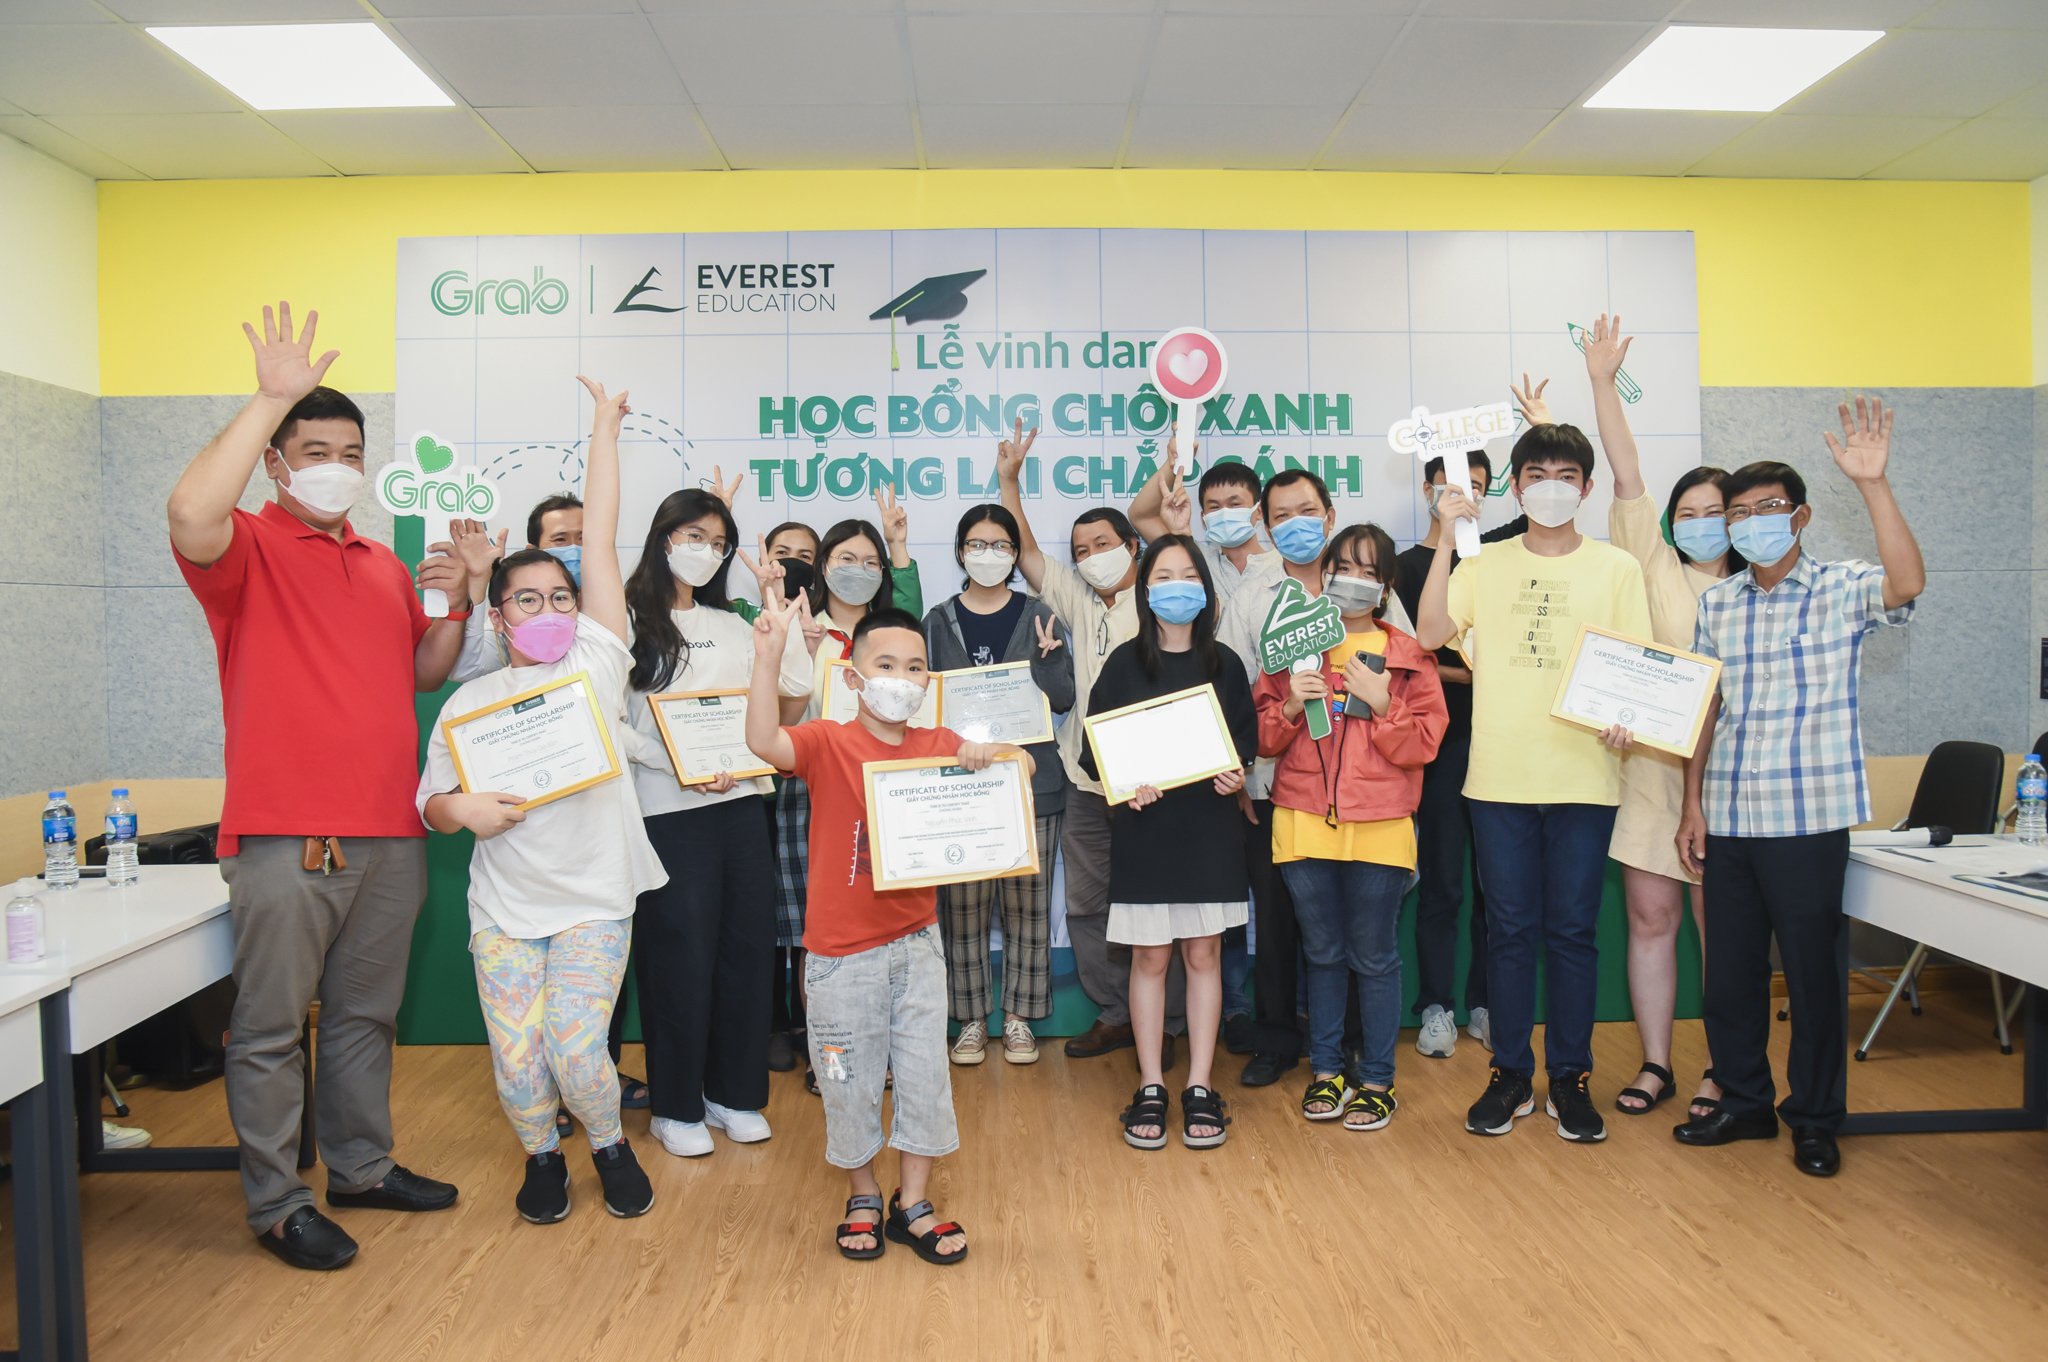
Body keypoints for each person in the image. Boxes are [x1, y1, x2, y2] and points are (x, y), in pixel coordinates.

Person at [167, 303, 467, 1271]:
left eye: (350, 452)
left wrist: (458, 602)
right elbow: (188, 513)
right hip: (287, 835)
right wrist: (269, 397)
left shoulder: (380, 564)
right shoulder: (243, 548)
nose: (336, 465)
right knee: (267, 1030)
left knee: (364, 1018)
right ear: (277, 464)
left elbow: (420, 672)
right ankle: (276, 1203)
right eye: (315, 451)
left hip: (390, 832)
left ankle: (361, 1168)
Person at [417, 376, 663, 1224]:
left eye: (561, 596)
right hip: (506, 908)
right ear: (498, 617)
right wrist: (462, 812)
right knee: (518, 1059)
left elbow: (600, 536)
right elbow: (430, 802)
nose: (550, 608)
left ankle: (609, 1143)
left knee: (577, 1047)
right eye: (528, 598)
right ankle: (542, 1158)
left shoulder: (597, 660)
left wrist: (604, 430)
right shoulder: (469, 702)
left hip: (594, 897)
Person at [1674, 398, 1924, 1179]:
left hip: (1809, 820)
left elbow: (1908, 582)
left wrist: (1873, 484)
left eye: (1768, 509)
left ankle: (1814, 1118)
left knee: (1813, 980)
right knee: (1731, 978)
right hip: (1730, 818)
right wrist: (1691, 803)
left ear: (1801, 516)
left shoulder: (1843, 587)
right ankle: (1745, 1102)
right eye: (1738, 513)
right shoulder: (1718, 603)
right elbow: (1706, 708)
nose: (1752, 523)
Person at [745, 602, 1030, 1264]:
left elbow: (1021, 765)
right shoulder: (827, 741)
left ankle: (914, 1202)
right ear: (853, 677)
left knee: (926, 1076)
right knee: (845, 1079)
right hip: (839, 960)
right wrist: (767, 658)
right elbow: (763, 742)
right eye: (886, 665)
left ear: (929, 681)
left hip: (919, 949)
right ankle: (864, 1194)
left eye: (915, 668)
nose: (901, 679)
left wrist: (995, 753)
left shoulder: (937, 743)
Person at [1418, 411, 1651, 1145]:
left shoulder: (1617, 568)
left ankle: (1571, 1077)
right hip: (1499, 780)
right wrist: (1444, 537)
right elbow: (1428, 634)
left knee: (1573, 933)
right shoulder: (1483, 563)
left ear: (1587, 488)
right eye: (1537, 475)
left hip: (1585, 776)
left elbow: (1635, 669)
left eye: (1566, 476)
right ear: (1515, 488)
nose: (1552, 487)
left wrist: (1628, 718)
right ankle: (1511, 1073)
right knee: (1511, 933)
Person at [1544, 319, 1742, 1120]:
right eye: (1686, 510)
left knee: (1721, 930)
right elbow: (1625, 472)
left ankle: (1726, 1068)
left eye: (1714, 511)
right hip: (1652, 772)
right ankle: (1658, 1063)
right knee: (1651, 919)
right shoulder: (1653, 563)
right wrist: (1602, 381)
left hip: (1734, 780)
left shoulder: (1757, 592)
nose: (1699, 521)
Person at [621, 491, 813, 1158]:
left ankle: (733, 1094)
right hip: (668, 811)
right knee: (679, 959)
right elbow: (607, 719)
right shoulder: (627, 621)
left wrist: (776, 614)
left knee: (745, 954)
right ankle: (676, 1105)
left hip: (741, 807)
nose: (706, 550)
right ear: (664, 537)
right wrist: (674, 763)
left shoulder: (733, 622)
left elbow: (790, 700)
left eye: (718, 541)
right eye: (693, 536)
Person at [1216, 467, 1418, 1088]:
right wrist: (1244, 776)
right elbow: (1237, 692)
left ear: (1329, 515)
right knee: (1277, 923)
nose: (1294, 524)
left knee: (1359, 933)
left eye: (1306, 511)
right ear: (1265, 524)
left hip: (1366, 792)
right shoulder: (1254, 596)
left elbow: (1405, 673)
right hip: (1276, 788)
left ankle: (1353, 1046)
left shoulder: (1370, 587)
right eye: (1280, 516)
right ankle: (1278, 1040)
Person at [993, 421, 1183, 1069]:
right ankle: (1116, 1013)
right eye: (1081, 549)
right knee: (1086, 904)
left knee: (1158, 904)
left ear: (1133, 547)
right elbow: (1025, 553)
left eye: (1104, 543)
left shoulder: (1163, 596)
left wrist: (1170, 474)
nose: (1092, 555)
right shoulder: (1076, 597)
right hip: (1085, 781)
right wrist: (1009, 482)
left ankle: (1169, 1021)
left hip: (1154, 783)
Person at [1257, 524, 1446, 1131]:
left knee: (1374, 954)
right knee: (1322, 952)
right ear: (1325, 574)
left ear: (1386, 586)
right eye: (1343, 567)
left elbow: (1424, 745)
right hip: (1303, 819)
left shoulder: (1408, 656)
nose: (1353, 580)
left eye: (1368, 571)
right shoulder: (1295, 646)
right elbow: (1261, 736)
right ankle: (1327, 1071)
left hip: (1382, 824)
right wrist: (1291, 705)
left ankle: (1378, 1081)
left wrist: (1385, 703)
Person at [1079, 536, 1257, 1150]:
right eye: (1163, 575)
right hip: (1146, 831)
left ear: (1204, 588)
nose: (1176, 585)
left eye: (1188, 575)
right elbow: (1097, 750)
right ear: (1145, 589)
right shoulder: (1123, 664)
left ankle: (1200, 1083)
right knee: (1150, 959)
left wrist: (1236, 775)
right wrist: (1125, 786)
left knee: (1204, 955)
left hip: (1209, 831)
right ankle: (1151, 1084)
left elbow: (1243, 744)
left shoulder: (1225, 664)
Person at [922, 504, 1075, 1066]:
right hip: (960, 785)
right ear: (960, 552)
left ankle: (1019, 1019)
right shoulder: (937, 621)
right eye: (977, 544)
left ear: (1014, 554)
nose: (989, 554)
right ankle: (967, 1019)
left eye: (1001, 545)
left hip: (1033, 783)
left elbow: (1063, 698)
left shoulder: (1040, 614)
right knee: (961, 907)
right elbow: (922, 702)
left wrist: (1050, 663)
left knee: (1028, 907)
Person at [1392, 447, 1518, 1058]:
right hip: (1438, 749)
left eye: (1476, 486)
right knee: (1441, 884)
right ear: (1427, 490)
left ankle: (1486, 1004)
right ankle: (1436, 1007)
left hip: (1499, 742)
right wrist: (1466, 674)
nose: (1463, 497)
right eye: (1449, 486)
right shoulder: (1401, 567)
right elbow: (1405, 655)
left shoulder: (1499, 558)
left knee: (1498, 889)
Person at [760, 519, 822, 1073]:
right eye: (783, 553)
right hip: (762, 792)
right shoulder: (743, 619)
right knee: (778, 921)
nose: (792, 565)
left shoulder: (826, 628)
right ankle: (779, 1023)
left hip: (826, 789)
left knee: (815, 927)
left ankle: (816, 1034)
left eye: (806, 555)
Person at [1128, 436, 1271, 601]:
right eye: (1215, 507)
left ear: (1259, 511)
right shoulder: (1194, 558)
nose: (1225, 513)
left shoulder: (1283, 565)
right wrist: (1174, 462)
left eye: (1235, 504)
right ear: (1204, 519)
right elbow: (1141, 516)